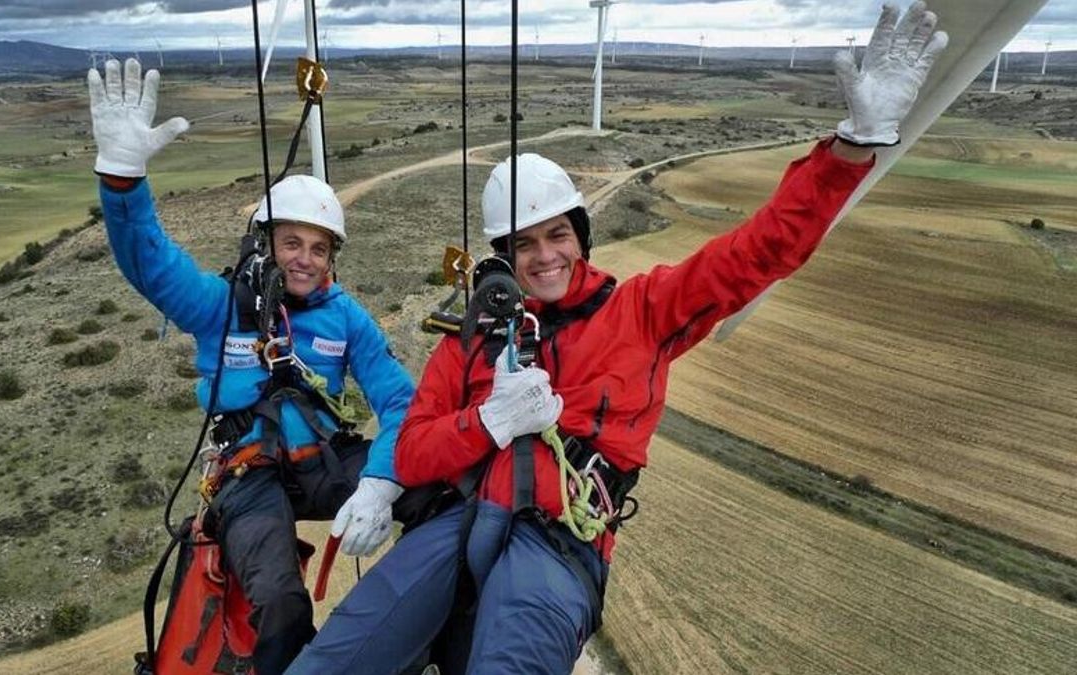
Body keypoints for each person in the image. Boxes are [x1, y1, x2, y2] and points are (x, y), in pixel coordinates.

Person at [287, 3, 948, 674]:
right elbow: (419, 447)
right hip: (457, 520)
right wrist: (488, 421)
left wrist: (851, 151)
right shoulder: (474, 340)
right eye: (524, 244)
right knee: (332, 660)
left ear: (580, 235)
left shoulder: (643, 311)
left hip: (559, 543)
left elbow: (757, 252)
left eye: (557, 234)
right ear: (504, 258)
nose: (544, 256)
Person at [87, 58, 416, 673]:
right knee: (280, 602)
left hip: (323, 460)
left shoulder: (346, 319)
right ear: (266, 244)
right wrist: (123, 182)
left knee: (439, 492)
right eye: (292, 243)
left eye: (319, 249)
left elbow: (402, 404)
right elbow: (150, 263)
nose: (306, 259)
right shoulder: (222, 308)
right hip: (249, 476)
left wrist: (383, 480)